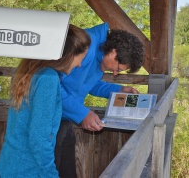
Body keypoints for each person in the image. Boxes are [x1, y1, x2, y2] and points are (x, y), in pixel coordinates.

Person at [0, 24, 91, 178]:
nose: (80, 64)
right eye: (80, 59)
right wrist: (51, 175)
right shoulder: (48, 78)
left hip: (8, 166)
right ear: (67, 54)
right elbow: (39, 139)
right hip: (28, 172)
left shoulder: (27, 71)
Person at [55, 22, 144, 177]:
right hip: (47, 117)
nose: (115, 73)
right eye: (118, 68)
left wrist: (119, 90)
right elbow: (51, 86)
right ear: (114, 52)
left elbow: (90, 84)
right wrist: (83, 114)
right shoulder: (84, 47)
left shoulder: (100, 55)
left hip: (64, 117)